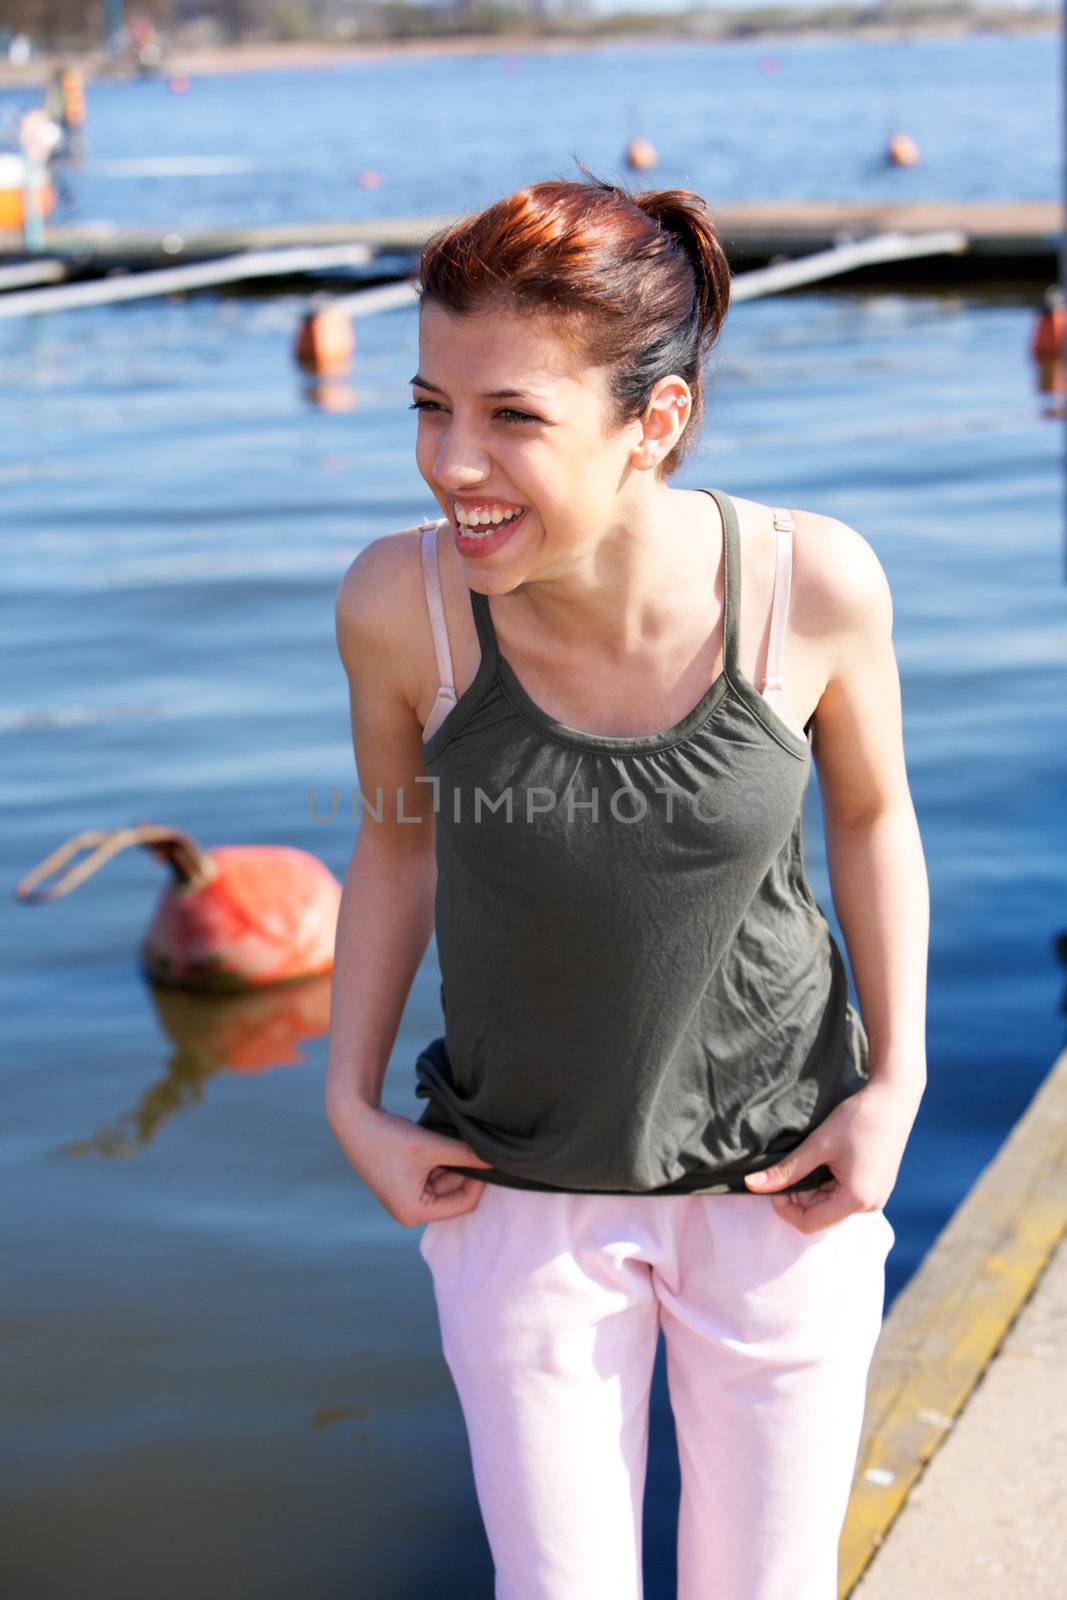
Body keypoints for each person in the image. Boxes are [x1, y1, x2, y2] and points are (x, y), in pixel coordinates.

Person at [325, 167, 929, 1600]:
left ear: (656, 423)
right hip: (515, 1193)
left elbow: (876, 816)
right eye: (431, 406)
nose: (451, 463)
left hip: (783, 1186)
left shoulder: (812, 586)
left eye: (512, 416)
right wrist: (350, 1104)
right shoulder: (399, 610)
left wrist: (892, 1084)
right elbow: (396, 839)